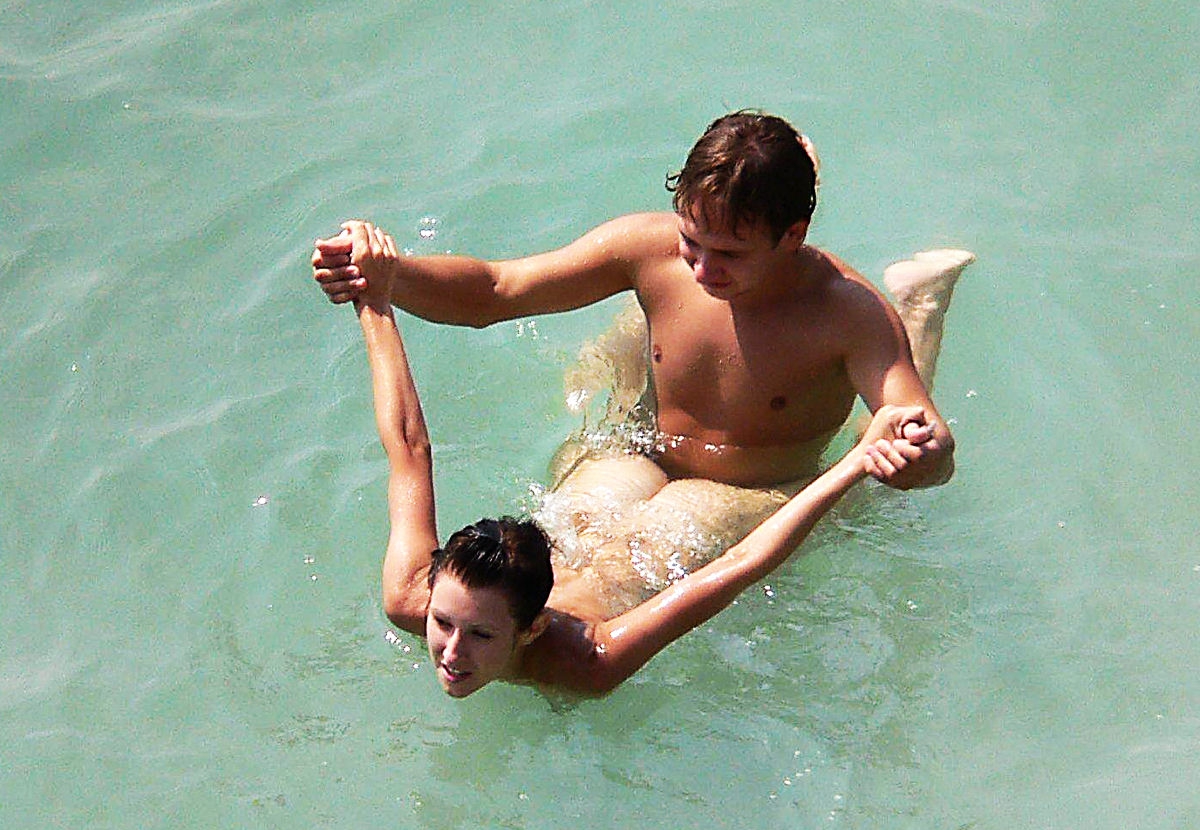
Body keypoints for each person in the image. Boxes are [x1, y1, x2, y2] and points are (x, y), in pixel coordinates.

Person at [312, 110, 973, 613]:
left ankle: (921, 305)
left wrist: (921, 451)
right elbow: (495, 290)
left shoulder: (848, 312)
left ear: (793, 236)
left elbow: (925, 441)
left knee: (600, 593)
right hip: (639, 454)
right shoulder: (651, 250)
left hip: (749, 486)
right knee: (543, 570)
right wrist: (391, 275)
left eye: (729, 254)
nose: (702, 269)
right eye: (692, 241)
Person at [341, 221, 935, 696]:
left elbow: (744, 563)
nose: (450, 653)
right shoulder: (412, 598)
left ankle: (921, 309)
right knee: (610, 442)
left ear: (533, 629)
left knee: (852, 504)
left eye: (479, 635)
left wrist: (856, 465)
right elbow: (408, 448)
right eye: (443, 623)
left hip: (674, 530)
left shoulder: (588, 661)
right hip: (608, 514)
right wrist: (373, 300)